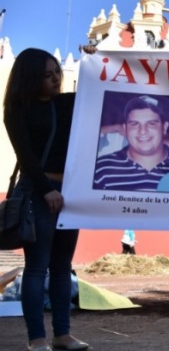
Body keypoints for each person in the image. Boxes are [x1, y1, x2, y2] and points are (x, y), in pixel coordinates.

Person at [3, 48, 91, 350]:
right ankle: (37, 339)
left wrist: (97, 56)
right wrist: (46, 190)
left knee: (63, 266)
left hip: (70, 197)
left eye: (58, 72)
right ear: (30, 78)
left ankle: (63, 335)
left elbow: (102, 87)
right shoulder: (16, 108)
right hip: (39, 195)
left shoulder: (66, 103)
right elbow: (25, 156)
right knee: (37, 266)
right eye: (48, 75)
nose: (56, 79)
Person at [93, 95, 169, 191]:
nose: (143, 131)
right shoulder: (101, 169)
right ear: (125, 129)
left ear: (164, 127)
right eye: (134, 124)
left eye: (151, 123)